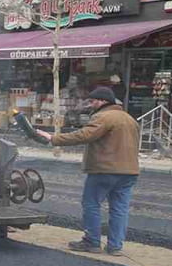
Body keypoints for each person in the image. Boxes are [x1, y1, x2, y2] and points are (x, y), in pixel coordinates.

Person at [36, 86, 140, 256]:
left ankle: (92, 242)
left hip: (105, 170)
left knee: (91, 204)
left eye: (93, 101)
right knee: (119, 209)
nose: (90, 104)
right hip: (130, 171)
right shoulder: (130, 119)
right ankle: (115, 246)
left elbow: (84, 135)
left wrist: (53, 139)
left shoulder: (103, 117)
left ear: (103, 101)